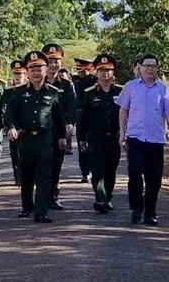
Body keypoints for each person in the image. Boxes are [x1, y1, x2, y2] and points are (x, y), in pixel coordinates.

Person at [117, 53, 169, 226]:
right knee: (135, 172)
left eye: (153, 66)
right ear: (140, 67)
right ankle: (137, 207)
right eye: (147, 65)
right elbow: (123, 110)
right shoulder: (130, 87)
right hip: (135, 137)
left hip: (155, 139)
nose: (150, 69)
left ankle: (150, 212)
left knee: (154, 178)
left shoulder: (163, 89)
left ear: (156, 68)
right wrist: (122, 132)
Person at [5, 51, 66, 223]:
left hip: (45, 137)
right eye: (32, 69)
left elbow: (58, 117)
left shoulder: (53, 92)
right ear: (28, 72)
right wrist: (11, 127)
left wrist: (62, 137)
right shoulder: (18, 92)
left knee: (44, 175)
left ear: (45, 70)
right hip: (25, 138)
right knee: (26, 173)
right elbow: (10, 113)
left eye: (39, 69)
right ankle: (27, 207)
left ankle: (41, 211)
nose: (36, 72)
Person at [77, 54, 123, 214]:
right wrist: (82, 138)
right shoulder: (89, 93)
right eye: (101, 70)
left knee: (111, 169)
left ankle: (108, 197)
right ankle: (100, 199)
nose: (105, 73)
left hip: (114, 137)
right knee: (97, 170)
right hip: (95, 137)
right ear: (96, 72)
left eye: (108, 70)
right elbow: (83, 118)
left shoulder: (121, 92)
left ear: (113, 72)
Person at [42, 43, 77, 211]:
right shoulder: (35, 82)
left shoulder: (66, 85)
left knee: (55, 165)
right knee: (40, 166)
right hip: (40, 131)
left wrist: (70, 124)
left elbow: (71, 106)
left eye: (56, 61)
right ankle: (40, 197)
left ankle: (53, 196)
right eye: (50, 60)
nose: (53, 64)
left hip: (58, 131)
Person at [3, 59, 28, 185]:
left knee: (26, 152)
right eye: (15, 74)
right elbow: (5, 108)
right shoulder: (8, 90)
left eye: (20, 74)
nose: (18, 76)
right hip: (13, 125)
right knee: (14, 152)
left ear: (25, 75)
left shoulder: (28, 89)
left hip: (26, 126)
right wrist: (8, 125)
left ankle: (26, 175)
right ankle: (17, 176)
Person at [72, 58, 96, 182]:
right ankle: (85, 172)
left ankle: (93, 170)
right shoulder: (76, 81)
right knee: (82, 145)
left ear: (89, 69)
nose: (80, 73)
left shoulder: (94, 81)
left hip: (93, 117)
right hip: (81, 116)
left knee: (93, 146)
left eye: (83, 70)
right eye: (79, 71)